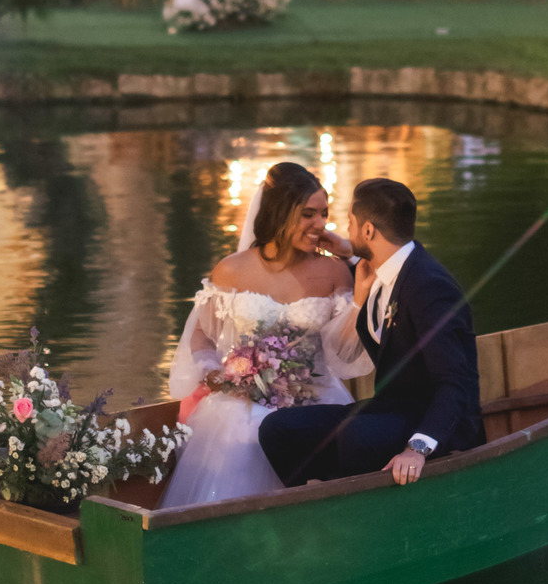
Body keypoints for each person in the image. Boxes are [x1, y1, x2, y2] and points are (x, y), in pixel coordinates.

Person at [164, 162, 372, 508]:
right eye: (308, 214)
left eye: (324, 213)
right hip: (241, 405)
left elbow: (347, 349)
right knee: (240, 444)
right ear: (279, 213)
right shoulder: (231, 269)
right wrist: (214, 371)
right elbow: (202, 335)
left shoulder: (335, 271)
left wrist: (355, 280)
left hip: (315, 401)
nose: (320, 224)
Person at [259, 176, 483, 489]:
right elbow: (367, 264)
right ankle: (311, 508)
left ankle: (356, 515)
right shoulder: (383, 269)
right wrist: (348, 251)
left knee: (358, 436)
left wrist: (417, 448)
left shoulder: (430, 286)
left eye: (350, 223)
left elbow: (455, 382)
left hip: (436, 420)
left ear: (368, 230)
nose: (345, 231)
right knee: (279, 428)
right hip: (391, 408)